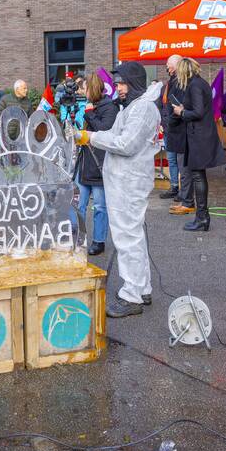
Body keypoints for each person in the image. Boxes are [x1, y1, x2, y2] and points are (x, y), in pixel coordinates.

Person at [75, 62, 162, 318]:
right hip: (124, 181)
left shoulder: (143, 109)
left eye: (122, 83)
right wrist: (91, 134)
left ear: (134, 82)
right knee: (132, 236)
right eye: (117, 84)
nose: (118, 88)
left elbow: (125, 143)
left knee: (127, 238)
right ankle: (141, 287)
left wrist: (90, 137)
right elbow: (112, 133)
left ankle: (132, 295)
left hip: (130, 182)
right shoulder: (132, 108)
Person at [174, 58, 226, 232]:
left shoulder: (194, 85)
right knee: (199, 176)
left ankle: (202, 218)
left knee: (198, 176)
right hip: (202, 136)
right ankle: (202, 217)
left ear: (183, 71)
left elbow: (197, 112)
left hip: (200, 137)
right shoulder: (200, 83)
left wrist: (181, 111)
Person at [74, 74, 118, 256]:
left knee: (100, 206)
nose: (83, 92)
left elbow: (104, 130)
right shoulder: (88, 106)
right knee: (78, 205)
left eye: (85, 88)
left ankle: (99, 241)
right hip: (85, 162)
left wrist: (90, 114)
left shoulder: (110, 107)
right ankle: (77, 238)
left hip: (99, 164)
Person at [158, 55, 196, 216]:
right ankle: (179, 191)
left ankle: (187, 200)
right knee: (174, 161)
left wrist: (171, 121)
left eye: (169, 65)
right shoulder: (171, 83)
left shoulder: (182, 84)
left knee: (184, 167)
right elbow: (164, 104)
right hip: (171, 129)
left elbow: (179, 107)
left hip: (179, 130)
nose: (167, 68)